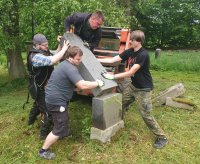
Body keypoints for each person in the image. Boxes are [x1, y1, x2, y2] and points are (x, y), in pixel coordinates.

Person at [98, 30, 168, 149]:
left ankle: (162, 137)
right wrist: (96, 60)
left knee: (146, 114)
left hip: (143, 89)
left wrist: (113, 76)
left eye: (132, 40)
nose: (130, 41)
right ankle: (118, 124)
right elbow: (113, 60)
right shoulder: (130, 51)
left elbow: (131, 72)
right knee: (120, 104)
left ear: (139, 41)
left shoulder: (143, 55)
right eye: (130, 39)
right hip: (133, 85)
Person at [38, 46, 104, 160]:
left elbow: (69, 84)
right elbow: (82, 85)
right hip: (56, 100)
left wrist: (76, 89)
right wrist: (97, 83)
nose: (80, 61)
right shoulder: (70, 68)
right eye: (78, 59)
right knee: (60, 125)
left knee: (60, 119)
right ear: (70, 57)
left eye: (80, 58)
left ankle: (62, 133)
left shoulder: (64, 65)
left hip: (54, 97)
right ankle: (43, 150)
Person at [27, 33, 70, 140]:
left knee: (38, 105)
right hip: (39, 87)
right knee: (47, 111)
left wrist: (60, 45)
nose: (47, 46)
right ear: (37, 45)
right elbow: (52, 60)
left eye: (47, 44)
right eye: (44, 45)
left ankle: (30, 121)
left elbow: (55, 54)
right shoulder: (35, 56)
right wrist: (65, 48)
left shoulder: (43, 52)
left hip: (45, 86)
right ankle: (43, 134)